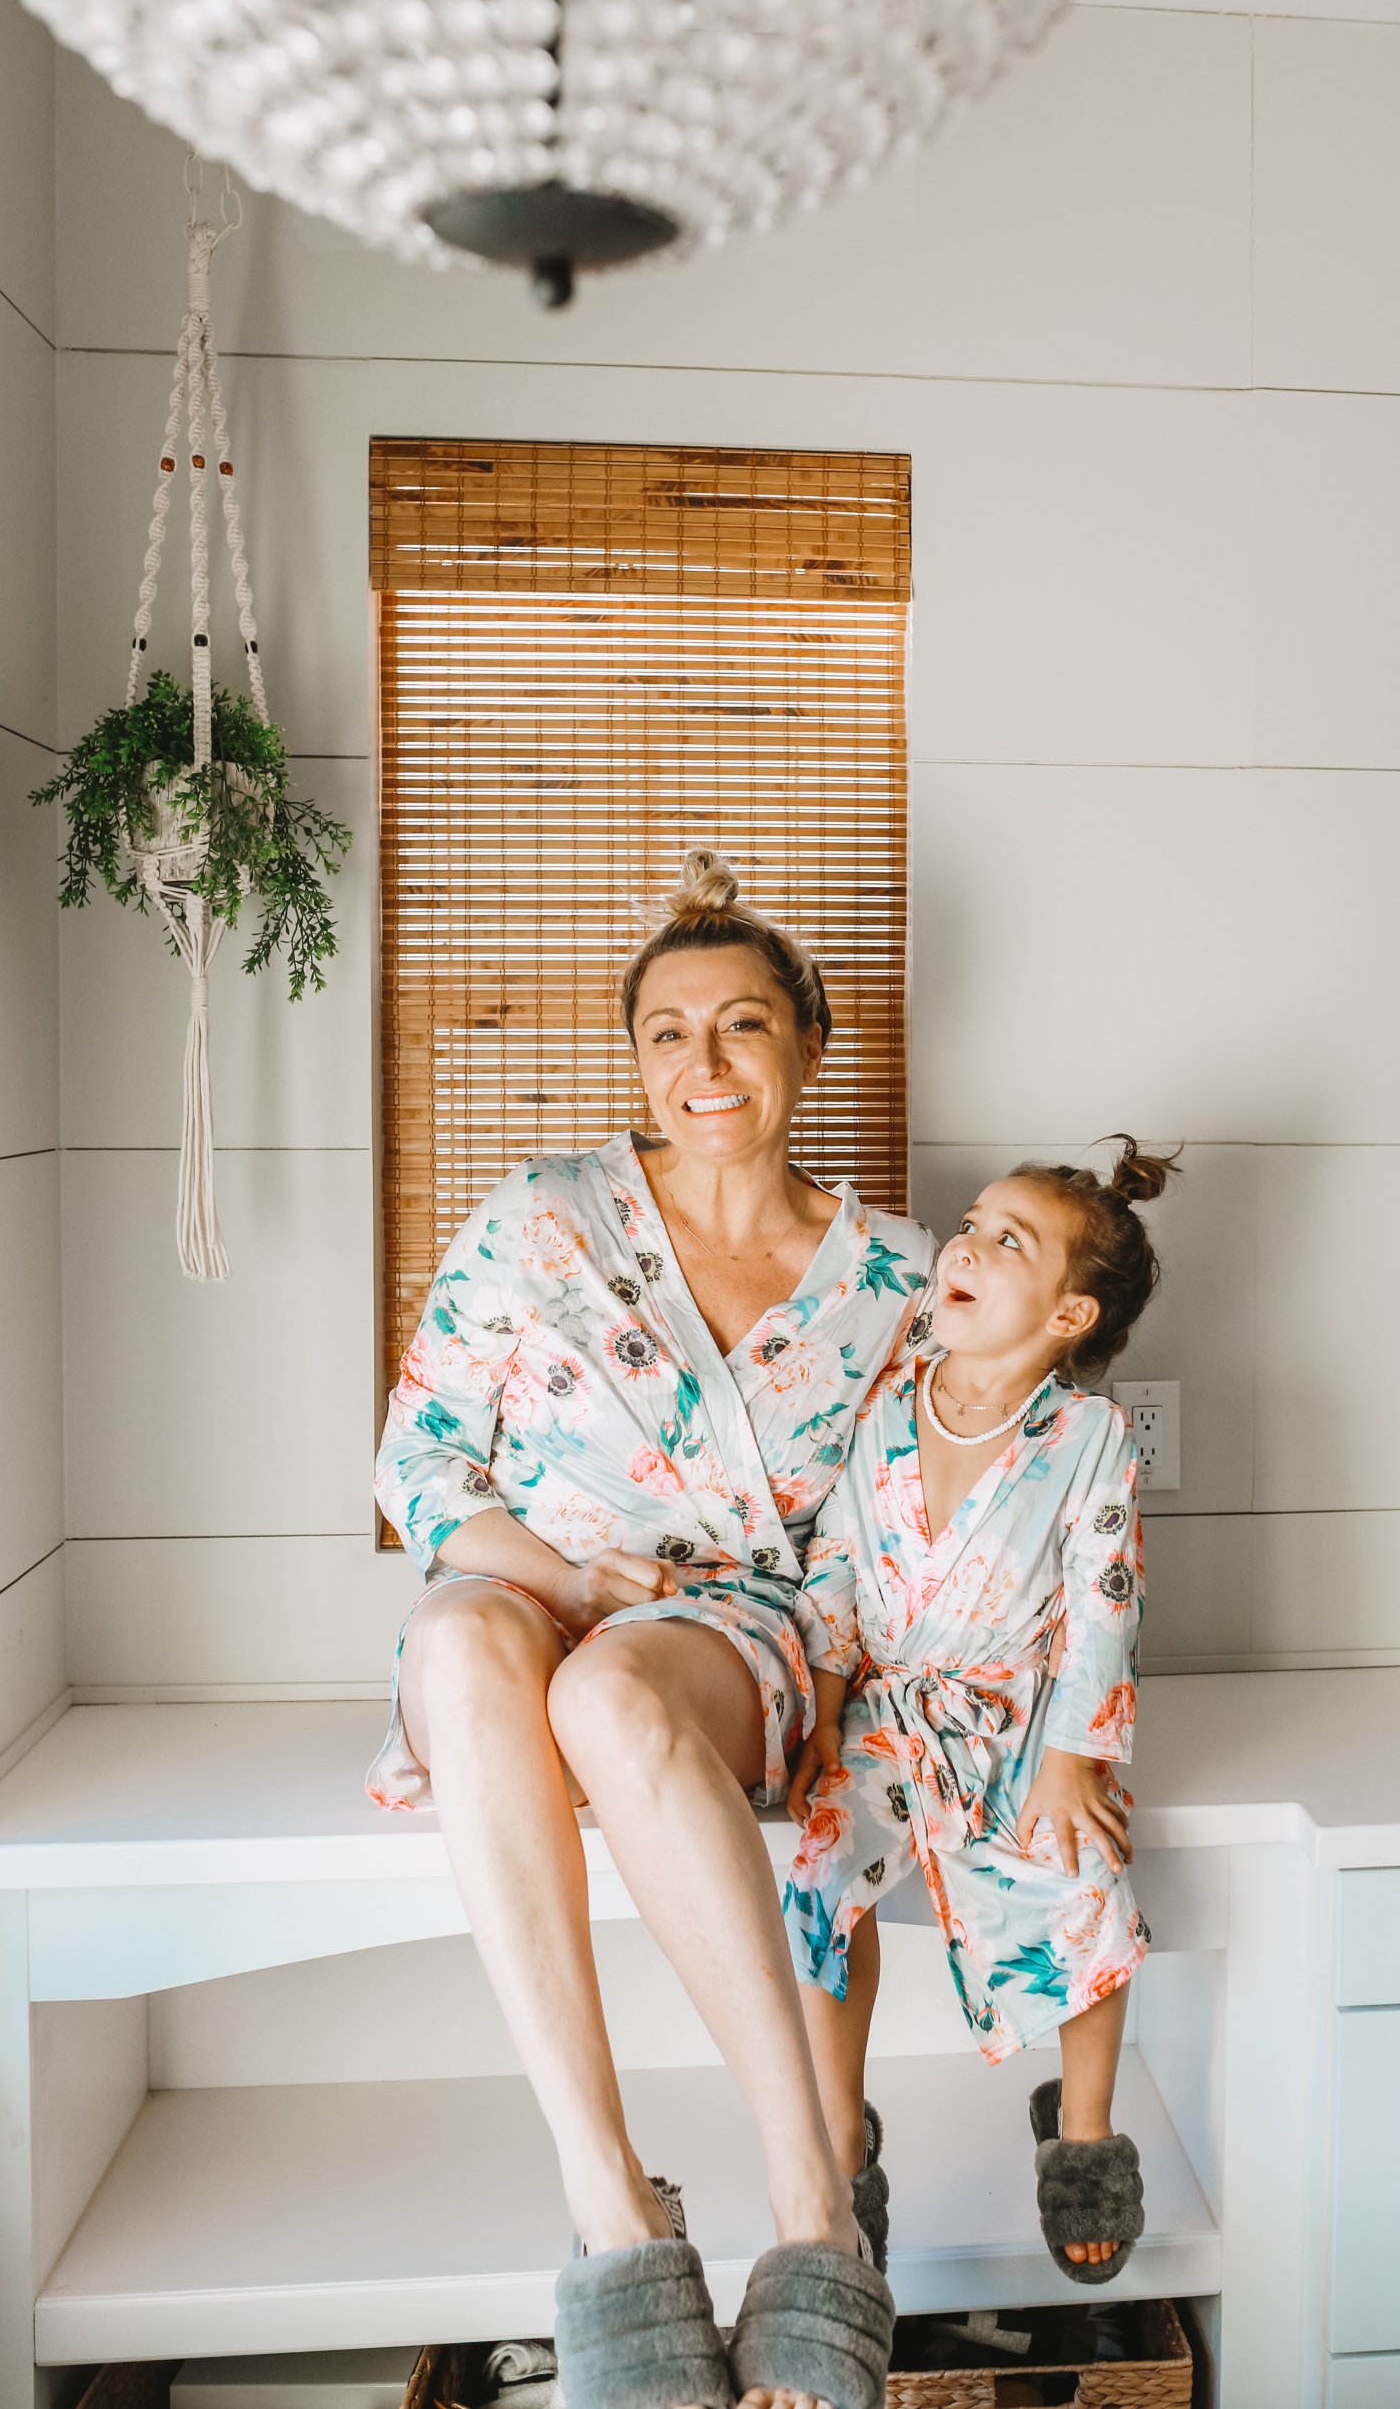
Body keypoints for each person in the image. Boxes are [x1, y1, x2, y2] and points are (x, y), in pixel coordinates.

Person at [371, 850, 934, 2409]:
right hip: (524, 1583)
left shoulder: (896, 1276)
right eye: (667, 1031)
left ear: (806, 1047)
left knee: (617, 1695)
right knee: (470, 1645)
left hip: (734, 1634)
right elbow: (414, 1464)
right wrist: (563, 1574)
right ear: (635, 1058)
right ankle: (614, 2206)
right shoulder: (539, 1216)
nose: (703, 1063)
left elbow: (907, 1525)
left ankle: (811, 2206)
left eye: (742, 1024)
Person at [782, 1140, 1178, 2288]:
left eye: (1010, 1240)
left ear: (1067, 1313)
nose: (964, 1243)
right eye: (971, 1223)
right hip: (884, 1709)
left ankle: (1085, 2129)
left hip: (1022, 1713)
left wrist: (1071, 1761)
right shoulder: (885, 1406)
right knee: (815, 1868)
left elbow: (1106, 1605)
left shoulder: (1087, 1439)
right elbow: (839, 1567)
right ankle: (840, 2134)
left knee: (1081, 1873)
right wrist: (818, 1712)